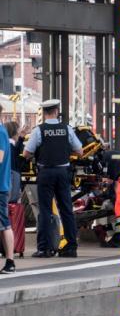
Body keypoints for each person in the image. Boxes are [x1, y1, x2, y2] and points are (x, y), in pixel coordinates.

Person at [23, 100, 83, 258]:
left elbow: (27, 153)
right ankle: (71, 247)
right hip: (63, 172)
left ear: (44, 113)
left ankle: (45, 248)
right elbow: (80, 151)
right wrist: (65, 153)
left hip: (45, 173)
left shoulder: (39, 131)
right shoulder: (67, 129)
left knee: (45, 211)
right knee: (66, 210)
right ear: (56, 111)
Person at [0, 123, 15, 273]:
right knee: (3, 224)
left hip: (0, 186)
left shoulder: (0, 132)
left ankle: (10, 261)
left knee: (4, 224)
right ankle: (10, 261)